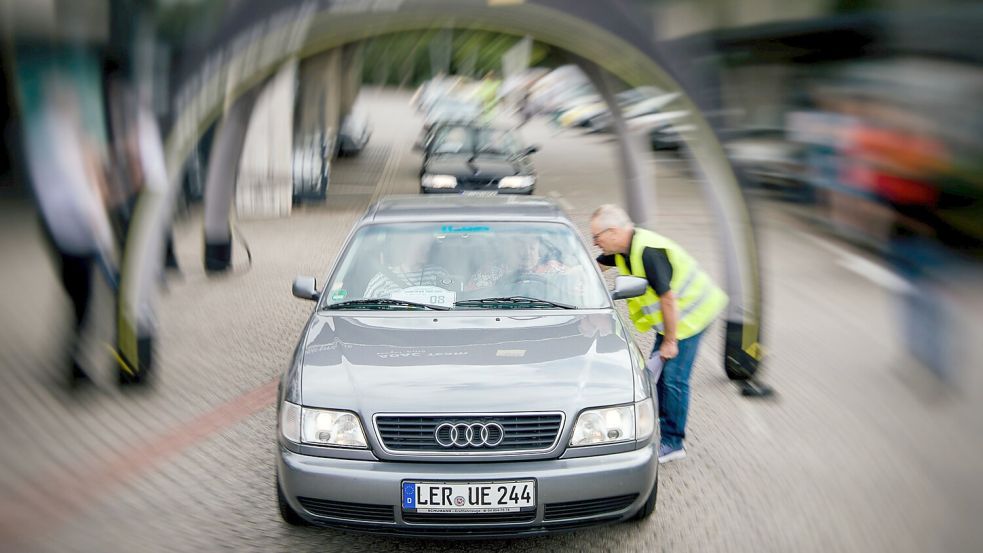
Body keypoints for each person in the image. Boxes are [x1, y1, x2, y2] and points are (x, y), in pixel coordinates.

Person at [590, 204, 728, 463]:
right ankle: (659, 427)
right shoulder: (620, 249)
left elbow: (668, 298)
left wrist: (670, 341)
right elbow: (594, 267)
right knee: (657, 375)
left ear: (614, 231)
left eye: (597, 237)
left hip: (691, 316)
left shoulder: (648, 252)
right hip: (674, 319)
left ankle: (674, 443)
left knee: (674, 378)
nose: (595, 243)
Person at [363, 233, 454, 299]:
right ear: (406, 246)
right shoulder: (382, 280)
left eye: (428, 246)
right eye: (421, 246)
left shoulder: (438, 273)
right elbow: (365, 312)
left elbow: (453, 302)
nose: (427, 249)